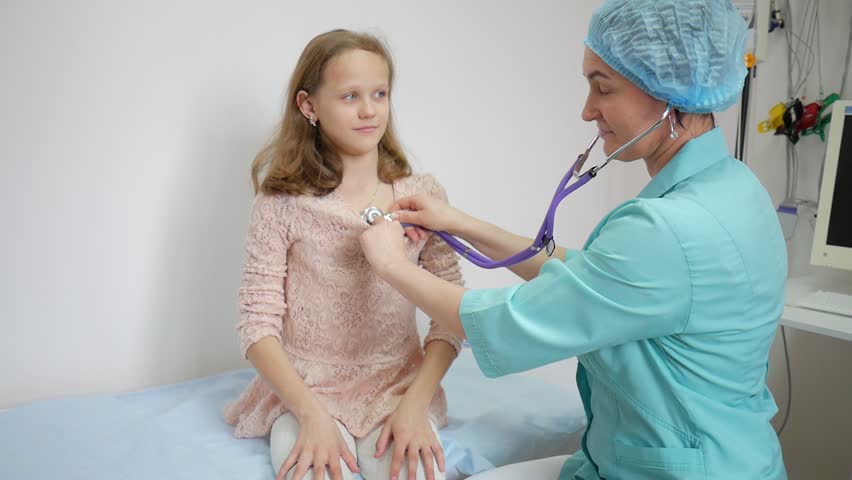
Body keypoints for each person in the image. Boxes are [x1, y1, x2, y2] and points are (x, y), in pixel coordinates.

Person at [359, 1, 789, 478]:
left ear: (667, 94)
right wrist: (461, 222)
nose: (587, 111)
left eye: (602, 89)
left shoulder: (667, 231)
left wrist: (392, 266)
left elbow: (509, 322)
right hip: (731, 455)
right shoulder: (737, 188)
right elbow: (596, 283)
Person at [224, 29, 464, 480]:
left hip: (397, 386)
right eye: (350, 96)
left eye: (379, 93)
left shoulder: (421, 197)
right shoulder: (280, 205)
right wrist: (311, 416)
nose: (370, 109)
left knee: (410, 473)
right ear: (309, 106)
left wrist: (415, 403)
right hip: (305, 390)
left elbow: (452, 314)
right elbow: (257, 325)